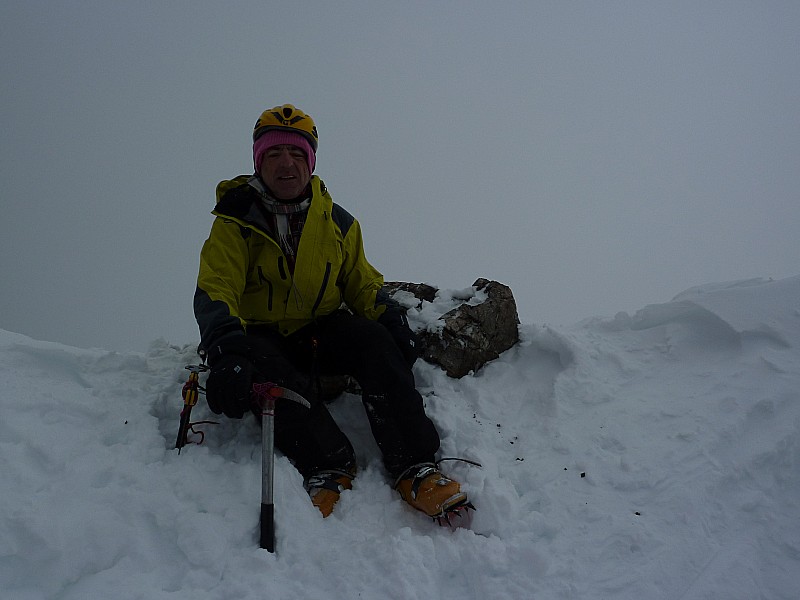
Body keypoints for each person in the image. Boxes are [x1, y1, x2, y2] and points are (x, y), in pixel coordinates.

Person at [193, 104, 469, 520]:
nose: (287, 163)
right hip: (262, 334)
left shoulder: (338, 222)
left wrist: (388, 316)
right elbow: (216, 286)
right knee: (265, 367)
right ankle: (328, 463)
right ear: (258, 161)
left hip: (317, 330)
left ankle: (414, 464)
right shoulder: (235, 220)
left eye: (297, 153)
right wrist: (226, 349)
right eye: (274, 153)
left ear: (311, 160)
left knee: (375, 342)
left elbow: (361, 282)